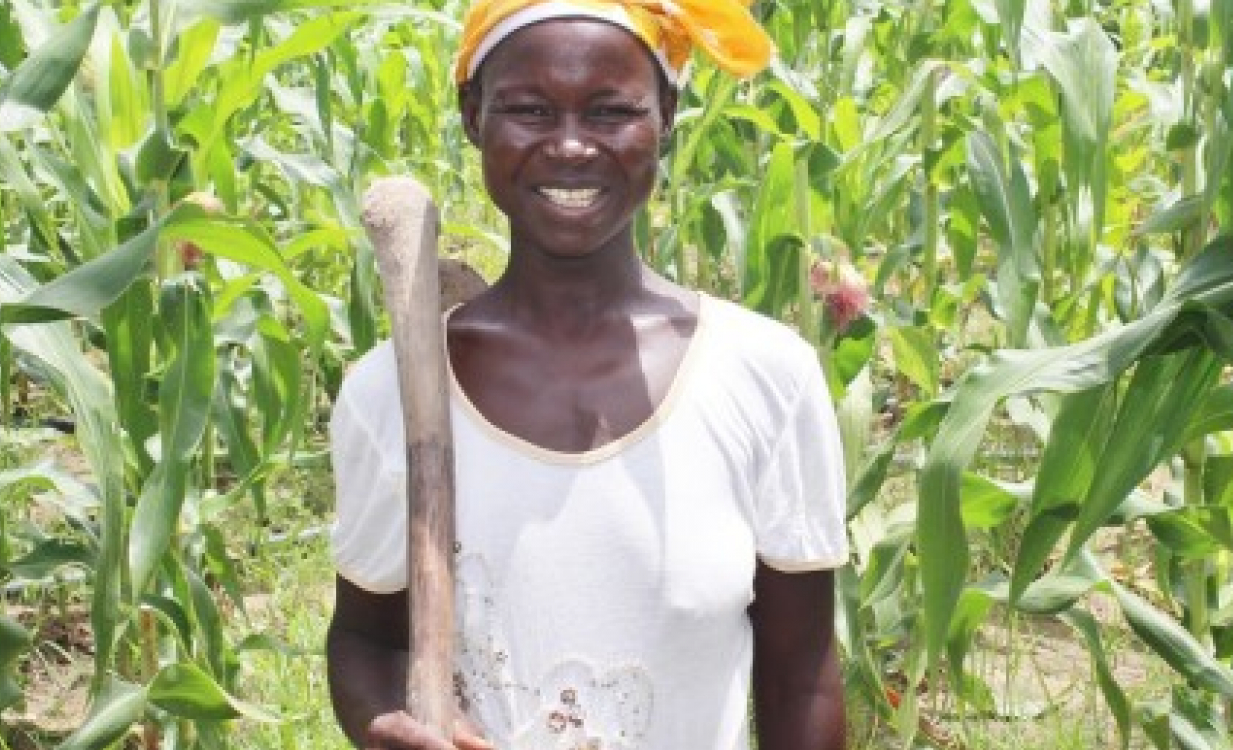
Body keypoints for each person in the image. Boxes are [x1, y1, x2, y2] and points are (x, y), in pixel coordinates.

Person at [326, 2, 849, 748]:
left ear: (666, 113)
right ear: (473, 115)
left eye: (611, 111)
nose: (570, 146)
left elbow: (801, 679)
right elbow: (365, 639)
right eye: (529, 109)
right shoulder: (393, 395)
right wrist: (381, 720)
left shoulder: (766, 380)